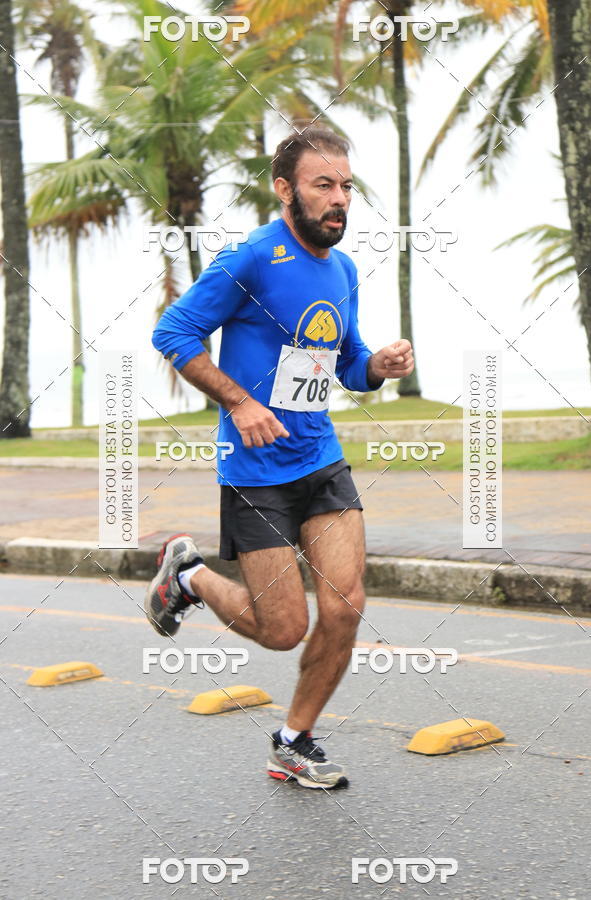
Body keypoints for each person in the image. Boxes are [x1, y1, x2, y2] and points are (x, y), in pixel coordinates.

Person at [145, 126, 414, 789]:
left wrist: (375, 365)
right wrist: (239, 402)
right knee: (284, 628)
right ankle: (189, 577)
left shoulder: (343, 270)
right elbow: (172, 332)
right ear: (285, 190)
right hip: (255, 473)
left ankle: (294, 740)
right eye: (324, 185)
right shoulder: (251, 257)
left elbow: (344, 362)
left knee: (345, 606)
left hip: (319, 457)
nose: (339, 199)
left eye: (346, 186)